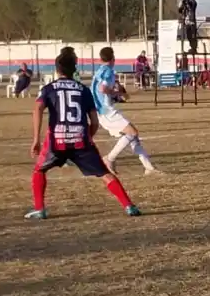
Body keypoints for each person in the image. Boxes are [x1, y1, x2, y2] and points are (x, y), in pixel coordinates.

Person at [25, 50, 141, 220]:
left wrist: (36, 139)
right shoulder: (84, 90)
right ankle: (129, 206)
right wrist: (87, 139)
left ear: (57, 70)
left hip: (57, 140)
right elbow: (94, 122)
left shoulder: (48, 89)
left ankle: (40, 209)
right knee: (104, 173)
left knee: (39, 170)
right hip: (80, 139)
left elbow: (38, 109)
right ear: (75, 70)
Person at [91, 46, 159, 175]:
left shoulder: (99, 71)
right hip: (106, 111)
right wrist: (117, 93)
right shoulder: (108, 71)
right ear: (113, 58)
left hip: (102, 109)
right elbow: (102, 89)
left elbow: (99, 90)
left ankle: (149, 168)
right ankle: (109, 159)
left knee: (132, 135)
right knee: (132, 132)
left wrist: (115, 95)